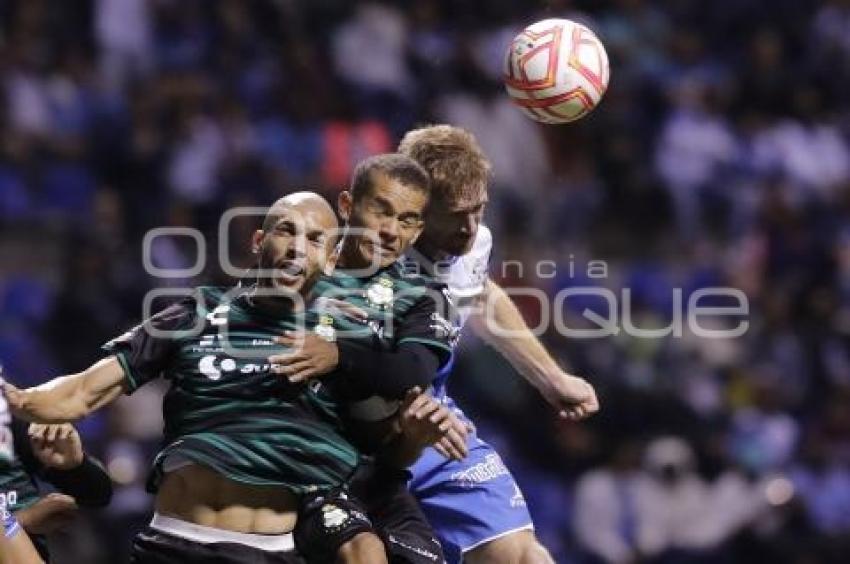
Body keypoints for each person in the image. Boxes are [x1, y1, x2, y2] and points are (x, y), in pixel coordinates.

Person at [3, 191, 461, 564]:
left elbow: (390, 437)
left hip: (270, 552)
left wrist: (416, 431)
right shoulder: (196, 311)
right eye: (286, 230)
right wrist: (16, 398)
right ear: (259, 241)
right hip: (169, 544)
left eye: (315, 238)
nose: (297, 247)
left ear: (332, 257)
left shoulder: (349, 345)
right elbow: (82, 391)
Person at [396, 124, 600, 564]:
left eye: (480, 210)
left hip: (437, 424)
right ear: (417, 208)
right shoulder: (369, 258)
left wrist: (550, 377)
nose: (471, 228)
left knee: (526, 557)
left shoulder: (474, 243)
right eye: (456, 214)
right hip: (359, 435)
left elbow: (482, 294)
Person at [268, 154, 471, 563]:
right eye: (382, 212)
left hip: (376, 473)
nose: (392, 232)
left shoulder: (425, 295)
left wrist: (338, 352)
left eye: (409, 220)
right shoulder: (298, 267)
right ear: (347, 206)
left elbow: (410, 371)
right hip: (295, 466)